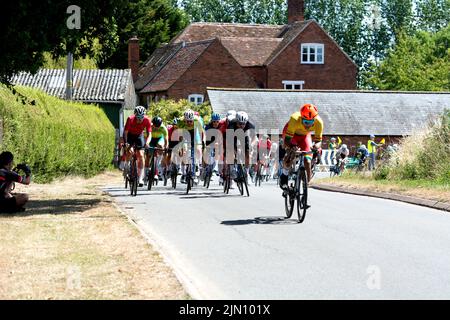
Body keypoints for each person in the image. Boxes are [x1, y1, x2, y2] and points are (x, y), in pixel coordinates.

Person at [279, 103, 323, 190]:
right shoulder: (294, 119)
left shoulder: (319, 122)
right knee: (291, 154)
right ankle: (284, 176)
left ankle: (308, 182)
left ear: (314, 119)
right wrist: (292, 146)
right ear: (301, 118)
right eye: (306, 122)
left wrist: (316, 147)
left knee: (307, 160)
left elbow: (318, 141)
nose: (308, 125)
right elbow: (287, 141)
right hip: (291, 135)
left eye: (311, 122)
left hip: (305, 136)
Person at [123, 106, 152, 187]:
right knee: (129, 151)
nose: (139, 120)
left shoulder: (147, 120)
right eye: (138, 117)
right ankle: (127, 166)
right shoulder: (130, 119)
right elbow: (125, 133)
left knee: (141, 155)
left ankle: (140, 178)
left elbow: (149, 134)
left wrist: (147, 142)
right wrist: (126, 143)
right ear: (135, 115)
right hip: (130, 135)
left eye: (141, 117)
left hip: (139, 135)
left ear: (144, 116)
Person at [176, 109, 206, 184]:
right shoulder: (180, 122)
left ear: (193, 119)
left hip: (195, 133)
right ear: (184, 120)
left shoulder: (197, 120)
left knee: (198, 150)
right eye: (187, 121)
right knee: (185, 150)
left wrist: (203, 142)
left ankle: (197, 166)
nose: (189, 123)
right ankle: (186, 170)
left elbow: (202, 133)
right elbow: (180, 136)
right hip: (185, 133)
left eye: (190, 121)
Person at [147, 116, 169, 182]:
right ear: (152, 123)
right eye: (155, 125)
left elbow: (166, 139)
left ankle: (158, 164)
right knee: (148, 154)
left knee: (161, 146)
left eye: (158, 126)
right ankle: (147, 169)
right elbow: (146, 136)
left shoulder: (163, 128)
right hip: (151, 139)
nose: (156, 127)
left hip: (159, 139)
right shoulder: (149, 126)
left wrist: (166, 146)